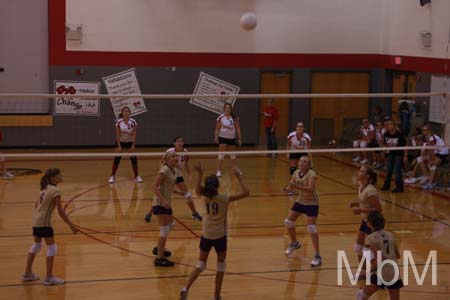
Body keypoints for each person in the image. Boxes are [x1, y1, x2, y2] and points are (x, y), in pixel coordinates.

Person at [179, 163, 249, 300]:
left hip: (206, 234)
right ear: (218, 186)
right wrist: (239, 177)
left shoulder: (204, 197)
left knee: (201, 264)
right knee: (221, 266)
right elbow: (246, 193)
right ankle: (216, 296)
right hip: (220, 236)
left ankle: (185, 288)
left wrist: (199, 173)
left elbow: (198, 189)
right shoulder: (224, 199)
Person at [21, 168, 78, 285]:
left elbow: (36, 205)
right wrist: (71, 226)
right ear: (52, 177)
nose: (61, 176)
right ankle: (49, 277)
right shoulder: (56, 191)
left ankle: (27, 273)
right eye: (59, 175)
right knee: (52, 248)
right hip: (44, 222)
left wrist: (39, 217)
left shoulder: (44, 188)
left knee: (36, 245)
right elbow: (61, 212)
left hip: (36, 220)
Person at [144, 136, 202, 222]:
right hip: (168, 173)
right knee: (160, 194)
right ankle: (149, 214)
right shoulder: (169, 151)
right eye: (178, 141)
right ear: (174, 143)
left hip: (178, 175)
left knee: (187, 194)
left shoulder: (185, 152)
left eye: (182, 141)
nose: (180, 143)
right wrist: (161, 172)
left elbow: (186, 164)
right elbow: (161, 162)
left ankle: (194, 213)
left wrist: (189, 174)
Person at [282, 156, 321, 267]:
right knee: (288, 222)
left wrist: (296, 187)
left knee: (311, 228)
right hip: (301, 201)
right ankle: (294, 243)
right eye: (300, 161)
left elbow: (310, 189)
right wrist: (287, 189)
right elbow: (291, 187)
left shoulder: (311, 174)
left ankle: (317, 255)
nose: (301, 163)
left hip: (312, 203)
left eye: (304, 162)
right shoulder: (296, 173)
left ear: (309, 165)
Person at [355, 211, 403, 300]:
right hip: (394, 271)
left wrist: (368, 271)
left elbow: (379, 259)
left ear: (369, 224)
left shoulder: (371, 238)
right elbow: (398, 255)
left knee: (360, 296)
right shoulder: (390, 235)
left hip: (382, 272)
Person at [348, 167, 382, 277]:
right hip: (365, 221)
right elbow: (365, 202)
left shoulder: (370, 190)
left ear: (368, 176)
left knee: (369, 251)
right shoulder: (361, 186)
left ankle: (378, 271)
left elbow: (378, 209)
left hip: (373, 223)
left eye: (362, 171)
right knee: (358, 247)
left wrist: (360, 210)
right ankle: (363, 272)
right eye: (360, 170)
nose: (359, 172)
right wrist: (356, 203)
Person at [152, 149, 179, 267]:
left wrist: (179, 193)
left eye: (176, 156)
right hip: (160, 203)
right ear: (168, 159)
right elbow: (154, 187)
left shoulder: (173, 170)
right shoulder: (164, 170)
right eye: (173, 156)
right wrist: (162, 200)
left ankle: (159, 247)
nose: (176, 158)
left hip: (167, 203)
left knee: (171, 225)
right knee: (164, 230)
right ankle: (159, 258)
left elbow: (167, 186)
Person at [108, 106, 142, 184]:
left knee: (133, 158)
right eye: (125, 111)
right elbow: (117, 135)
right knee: (117, 158)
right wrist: (119, 146)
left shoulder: (133, 121)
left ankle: (137, 176)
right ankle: (112, 176)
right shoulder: (119, 122)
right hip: (121, 142)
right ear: (122, 113)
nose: (126, 112)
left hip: (130, 142)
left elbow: (134, 134)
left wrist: (133, 145)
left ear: (130, 113)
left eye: (127, 111)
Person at [214, 103, 242, 177]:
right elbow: (217, 128)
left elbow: (238, 128)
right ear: (224, 109)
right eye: (226, 108)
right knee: (221, 154)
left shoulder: (234, 117)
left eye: (229, 108)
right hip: (222, 137)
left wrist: (239, 139)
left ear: (231, 109)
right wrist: (216, 137)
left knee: (232, 154)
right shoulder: (221, 117)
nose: (227, 109)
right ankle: (218, 170)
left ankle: (235, 169)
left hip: (232, 138)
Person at [418, 124, 449, 189]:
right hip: (437, 152)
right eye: (423, 130)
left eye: (425, 130)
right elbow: (429, 150)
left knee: (432, 166)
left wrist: (431, 160)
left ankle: (430, 184)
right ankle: (428, 177)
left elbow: (432, 149)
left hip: (443, 152)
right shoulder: (427, 138)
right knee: (420, 159)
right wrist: (429, 159)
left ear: (429, 130)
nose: (424, 132)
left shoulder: (431, 137)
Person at [381, 117, 406, 193]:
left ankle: (399, 187)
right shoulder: (386, 134)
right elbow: (384, 144)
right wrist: (384, 153)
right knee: (388, 170)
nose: (389, 126)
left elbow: (405, 145)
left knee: (397, 171)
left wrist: (405, 156)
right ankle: (386, 185)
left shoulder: (399, 134)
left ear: (394, 126)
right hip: (390, 154)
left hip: (398, 154)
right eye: (388, 124)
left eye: (391, 124)